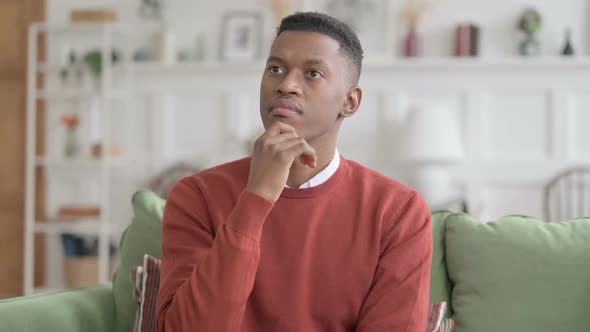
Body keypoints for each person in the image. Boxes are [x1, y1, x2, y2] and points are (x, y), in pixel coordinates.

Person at [156, 12, 432, 332]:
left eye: (312, 73)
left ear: (350, 101)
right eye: (276, 69)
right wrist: (256, 198)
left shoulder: (398, 211)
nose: (286, 85)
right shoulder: (196, 196)